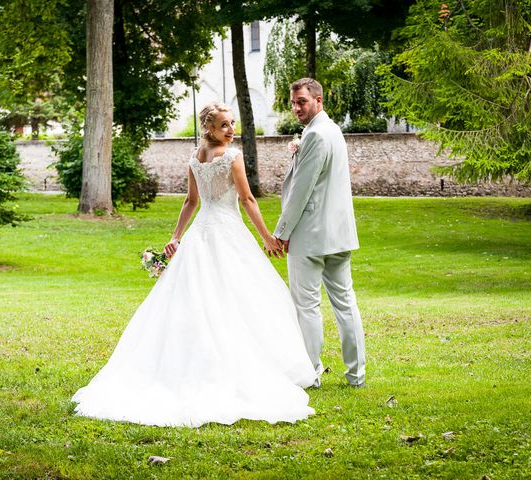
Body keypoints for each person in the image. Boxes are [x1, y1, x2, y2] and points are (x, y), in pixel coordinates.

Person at [72, 102, 316, 427]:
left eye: (232, 123)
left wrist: (177, 236)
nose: (231, 130)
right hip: (226, 233)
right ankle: (235, 367)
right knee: (238, 298)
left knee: (205, 298)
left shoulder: (195, 157)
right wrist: (267, 237)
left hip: (201, 232)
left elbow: (192, 202)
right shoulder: (231, 157)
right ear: (209, 128)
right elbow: (247, 200)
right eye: (224, 125)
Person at [273, 78, 366, 388]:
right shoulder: (333, 131)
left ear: (318, 100)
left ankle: (310, 373)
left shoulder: (315, 136)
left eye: (302, 101)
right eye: (294, 103)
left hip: (311, 236)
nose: (297, 108)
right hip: (339, 234)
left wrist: (282, 232)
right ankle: (356, 375)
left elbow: (301, 190)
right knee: (345, 304)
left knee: (307, 306)